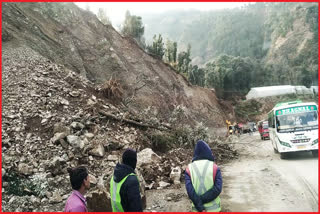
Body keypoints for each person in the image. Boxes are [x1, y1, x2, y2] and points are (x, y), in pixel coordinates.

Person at [185, 140, 222, 212]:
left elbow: (190, 192)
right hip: (214, 209)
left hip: (197, 209)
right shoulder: (215, 167)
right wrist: (202, 200)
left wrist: (199, 205)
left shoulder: (189, 169)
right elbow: (217, 189)